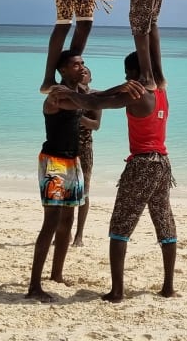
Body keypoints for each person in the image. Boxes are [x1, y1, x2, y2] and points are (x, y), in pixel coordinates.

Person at [48, 52, 178, 303]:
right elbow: (153, 52)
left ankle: (117, 292)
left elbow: (98, 103)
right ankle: (168, 288)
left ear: (132, 74)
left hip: (142, 164)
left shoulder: (138, 93)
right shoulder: (161, 90)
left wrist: (69, 96)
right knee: (164, 223)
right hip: (163, 164)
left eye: (127, 74)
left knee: (120, 227)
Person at [28, 51, 131, 302]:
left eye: (83, 63)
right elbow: (95, 102)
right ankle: (34, 286)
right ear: (62, 69)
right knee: (51, 222)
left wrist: (123, 88)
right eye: (76, 64)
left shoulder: (78, 93)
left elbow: (95, 98)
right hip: (54, 162)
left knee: (68, 221)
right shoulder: (57, 94)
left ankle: (56, 274)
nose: (81, 67)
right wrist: (119, 89)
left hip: (73, 160)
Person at [72, 65, 102, 246]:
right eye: (80, 71)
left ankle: (79, 235)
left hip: (84, 149)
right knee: (63, 193)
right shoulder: (68, 95)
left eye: (86, 72)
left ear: (90, 79)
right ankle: (64, 232)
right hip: (65, 148)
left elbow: (96, 125)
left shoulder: (95, 98)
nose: (82, 73)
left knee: (84, 193)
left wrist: (77, 116)